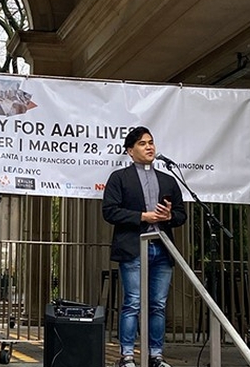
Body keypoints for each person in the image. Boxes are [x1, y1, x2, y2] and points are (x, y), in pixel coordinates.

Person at [102, 126, 187, 367]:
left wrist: (168, 216)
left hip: (162, 248)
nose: (149, 147)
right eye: (142, 143)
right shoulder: (119, 178)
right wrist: (143, 217)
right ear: (130, 151)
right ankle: (127, 355)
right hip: (133, 248)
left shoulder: (168, 180)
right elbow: (109, 211)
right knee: (132, 302)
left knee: (158, 305)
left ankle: (156, 355)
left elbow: (181, 215)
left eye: (151, 142)